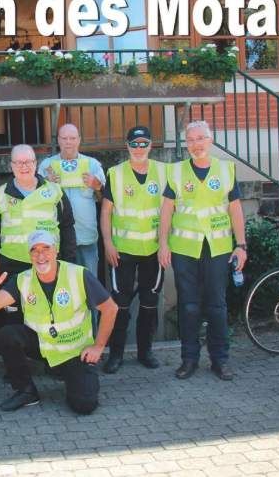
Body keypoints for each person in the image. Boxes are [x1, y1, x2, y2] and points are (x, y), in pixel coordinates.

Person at [0, 231, 118, 414]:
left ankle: (67, 375)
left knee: (84, 405)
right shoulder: (23, 279)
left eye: (46, 248)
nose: (40, 255)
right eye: (34, 250)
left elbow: (110, 308)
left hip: (74, 351)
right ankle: (26, 391)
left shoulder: (78, 274)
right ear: (29, 255)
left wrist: (98, 347)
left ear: (56, 250)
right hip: (44, 346)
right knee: (7, 334)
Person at [158, 120, 247, 381]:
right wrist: (163, 244)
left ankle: (220, 360)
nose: (196, 144)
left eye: (200, 138)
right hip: (184, 249)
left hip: (217, 248)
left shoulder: (226, 169)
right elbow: (166, 210)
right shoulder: (176, 171)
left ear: (210, 140)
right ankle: (189, 359)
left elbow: (235, 209)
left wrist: (241, 245)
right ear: (186, 144)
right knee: (188, 306)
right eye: (191, 140)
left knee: (217, 306)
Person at [0, 144, 76, 341]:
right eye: (18, 162)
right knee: (11, 320)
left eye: (28, 162)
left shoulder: (55, 192)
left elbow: (67, 229)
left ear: (35, 163)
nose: (23, 166)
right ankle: (15, 359)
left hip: (48, 266)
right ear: (11, 165)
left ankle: (50, 356)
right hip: (11, 268)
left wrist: (69, 264)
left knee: (49, 316)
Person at [100, 126, 166, 374]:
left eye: (143, 143)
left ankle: (145, 352)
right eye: (134, 144)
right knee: (120, 303)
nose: (139, 148)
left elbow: (170, 209)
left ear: (150, 145)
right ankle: (116, 354)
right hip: (122, 251)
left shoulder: (164, 171)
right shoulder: (116, 173)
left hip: (153, 250)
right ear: (127, 146)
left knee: (149, 302)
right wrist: (108, 243)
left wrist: (166, 244)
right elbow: (106, 212)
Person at [38, 123, 105, 276]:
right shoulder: (46, 166)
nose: (68, 142)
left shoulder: (92, 165)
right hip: (56, 240)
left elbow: (105, 201)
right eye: (64, 138)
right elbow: (35, 202)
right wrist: (46, 184)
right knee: (63, 284)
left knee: (89, 282)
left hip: (86, 237)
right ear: (58, 140)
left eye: (72, 138)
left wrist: (97, 186)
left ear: (79, 140)